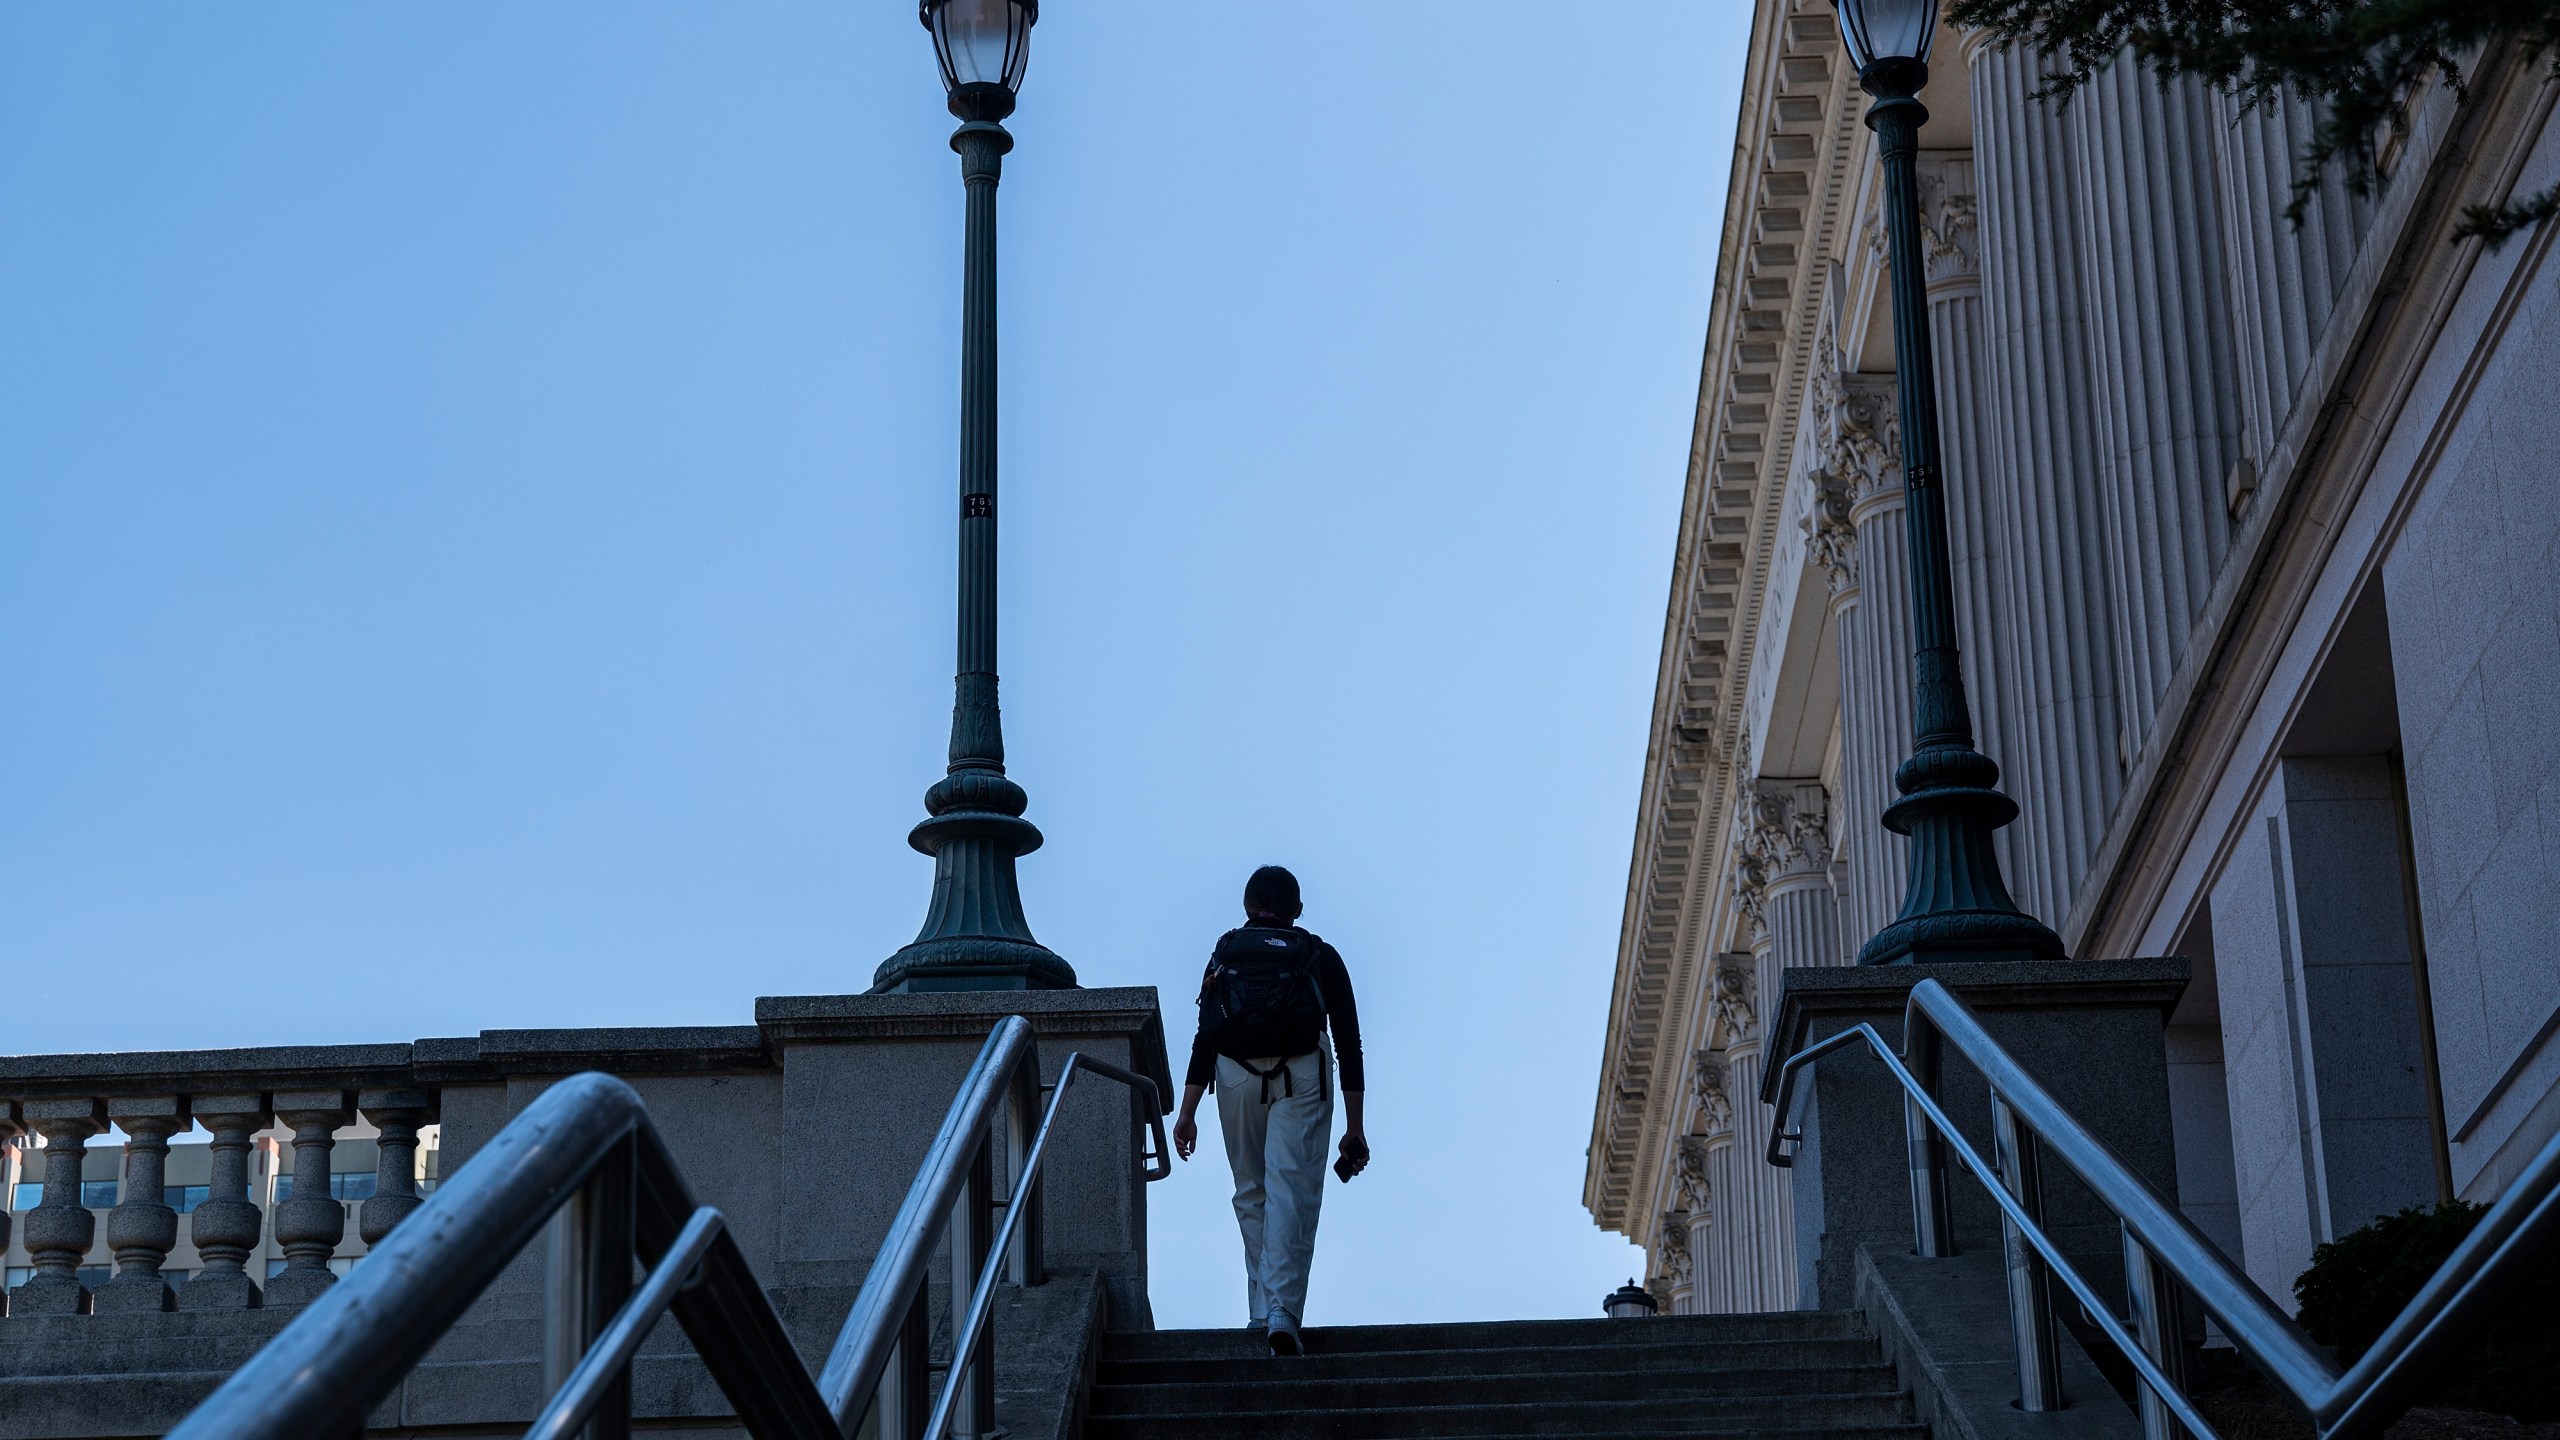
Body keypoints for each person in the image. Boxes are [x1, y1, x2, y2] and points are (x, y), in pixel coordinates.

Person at [1170, 865, 1367, 1356]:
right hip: (1302, 1072)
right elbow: (1348, 1040)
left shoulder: (1225, 951)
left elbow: (1206, 1032)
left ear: (1246, 906)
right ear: (1297, 910)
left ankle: (1260, 1309)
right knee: (1291, 1190)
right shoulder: (1318, 954)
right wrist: (1355, 1125)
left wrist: (1188, 1110)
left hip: (1233, 1074)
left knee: (1251, 1191)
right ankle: (1281, 1310)